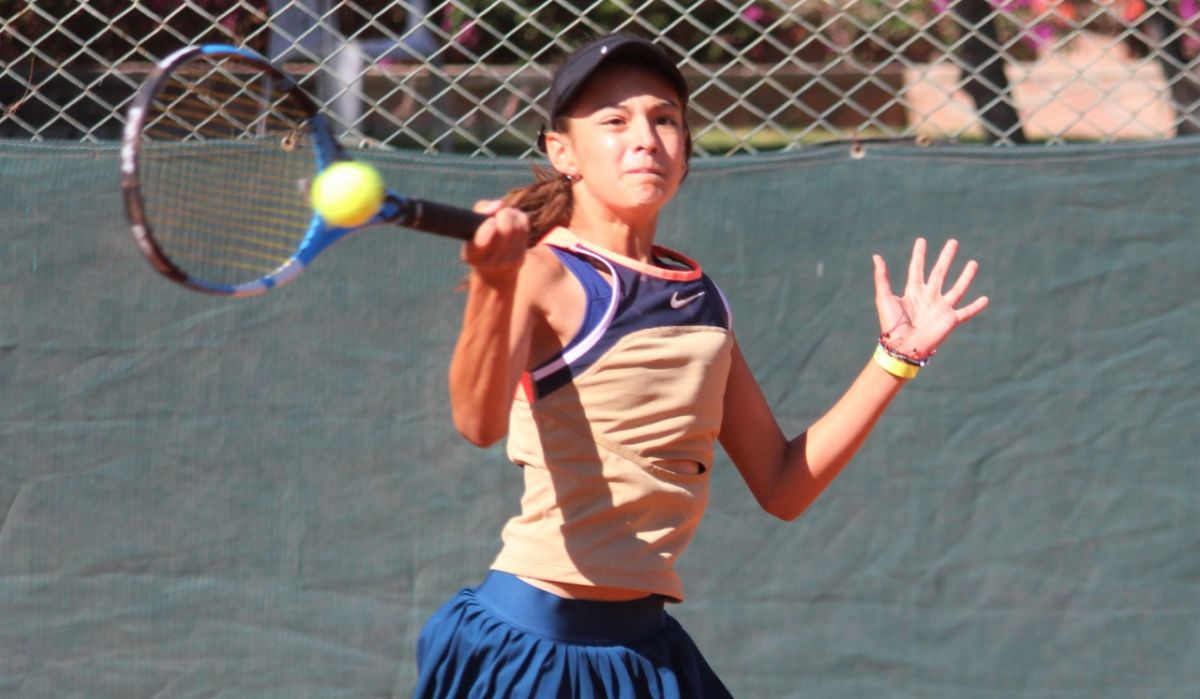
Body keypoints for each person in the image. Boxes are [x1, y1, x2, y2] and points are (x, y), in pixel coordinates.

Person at [414, 33, 989, 699]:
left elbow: (782, 485)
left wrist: (896, 358)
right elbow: (476, 421)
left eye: (665, 119)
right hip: (535, 645)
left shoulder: (700, 296)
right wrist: (493, 282)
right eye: (614, 120)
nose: (646, 138)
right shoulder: (542, 272)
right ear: (562, 152)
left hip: (644, 649)